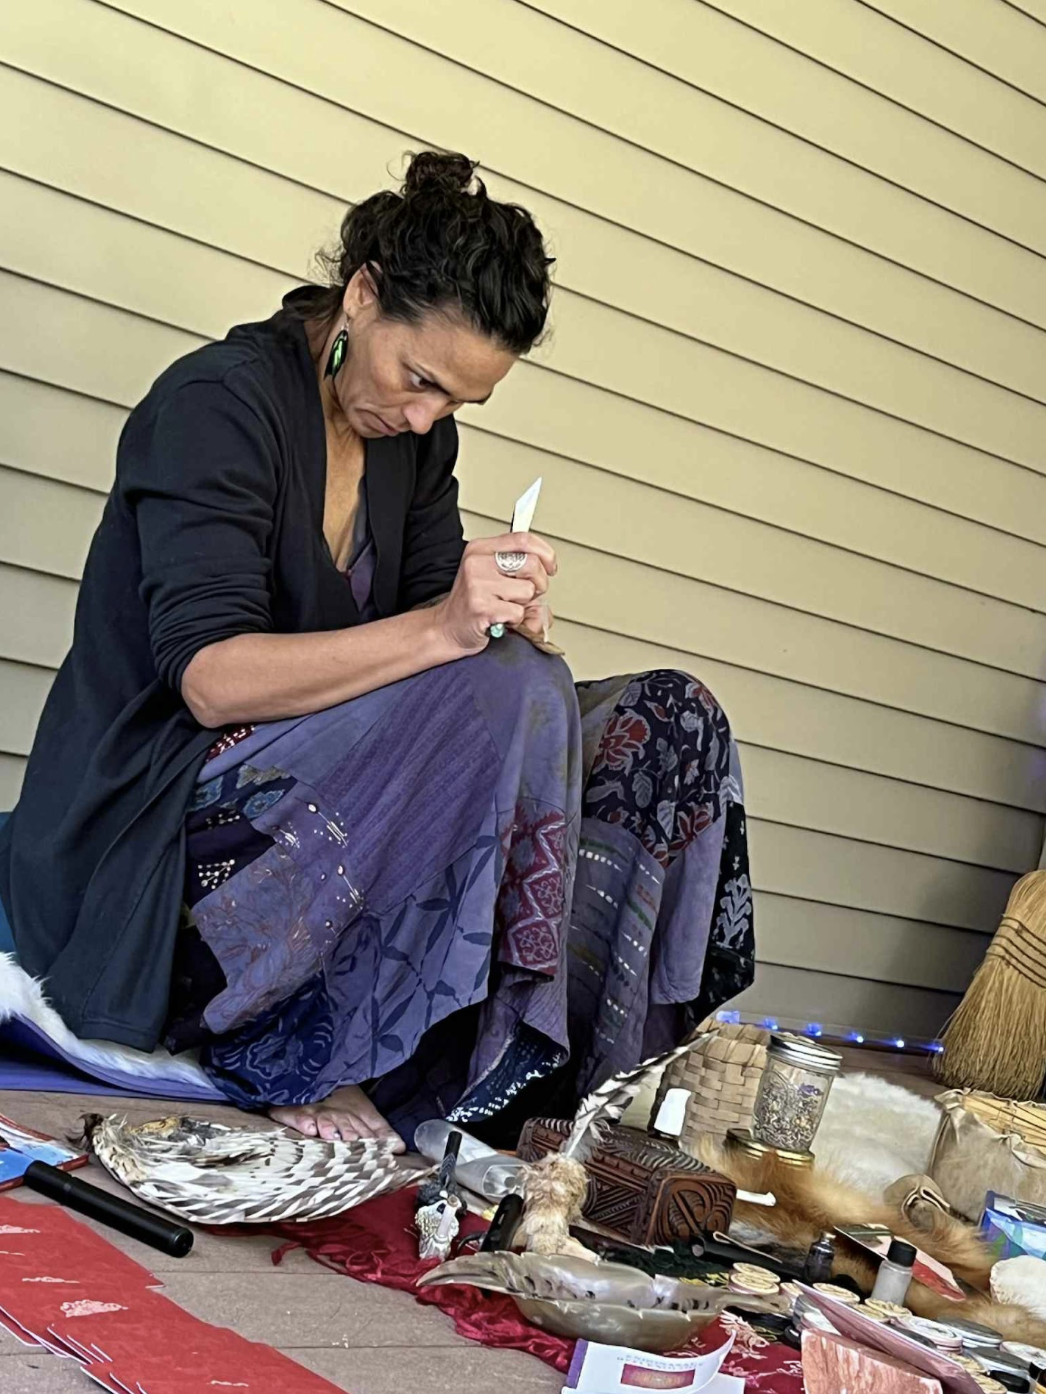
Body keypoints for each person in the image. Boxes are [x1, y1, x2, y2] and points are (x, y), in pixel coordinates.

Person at [0, 152, 754, 1150]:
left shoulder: (412, 443)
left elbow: (443, 657)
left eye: (453, 406)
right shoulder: (214, 407)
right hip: (161, 816)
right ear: (360, 293)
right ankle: (335, 1049)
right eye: (418, 379)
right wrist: (450, 633)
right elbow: (211, 677)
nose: (423, 417)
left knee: (665, 720)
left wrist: (493, 620)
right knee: (495, 693)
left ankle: (565, 1083)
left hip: (336, 799)